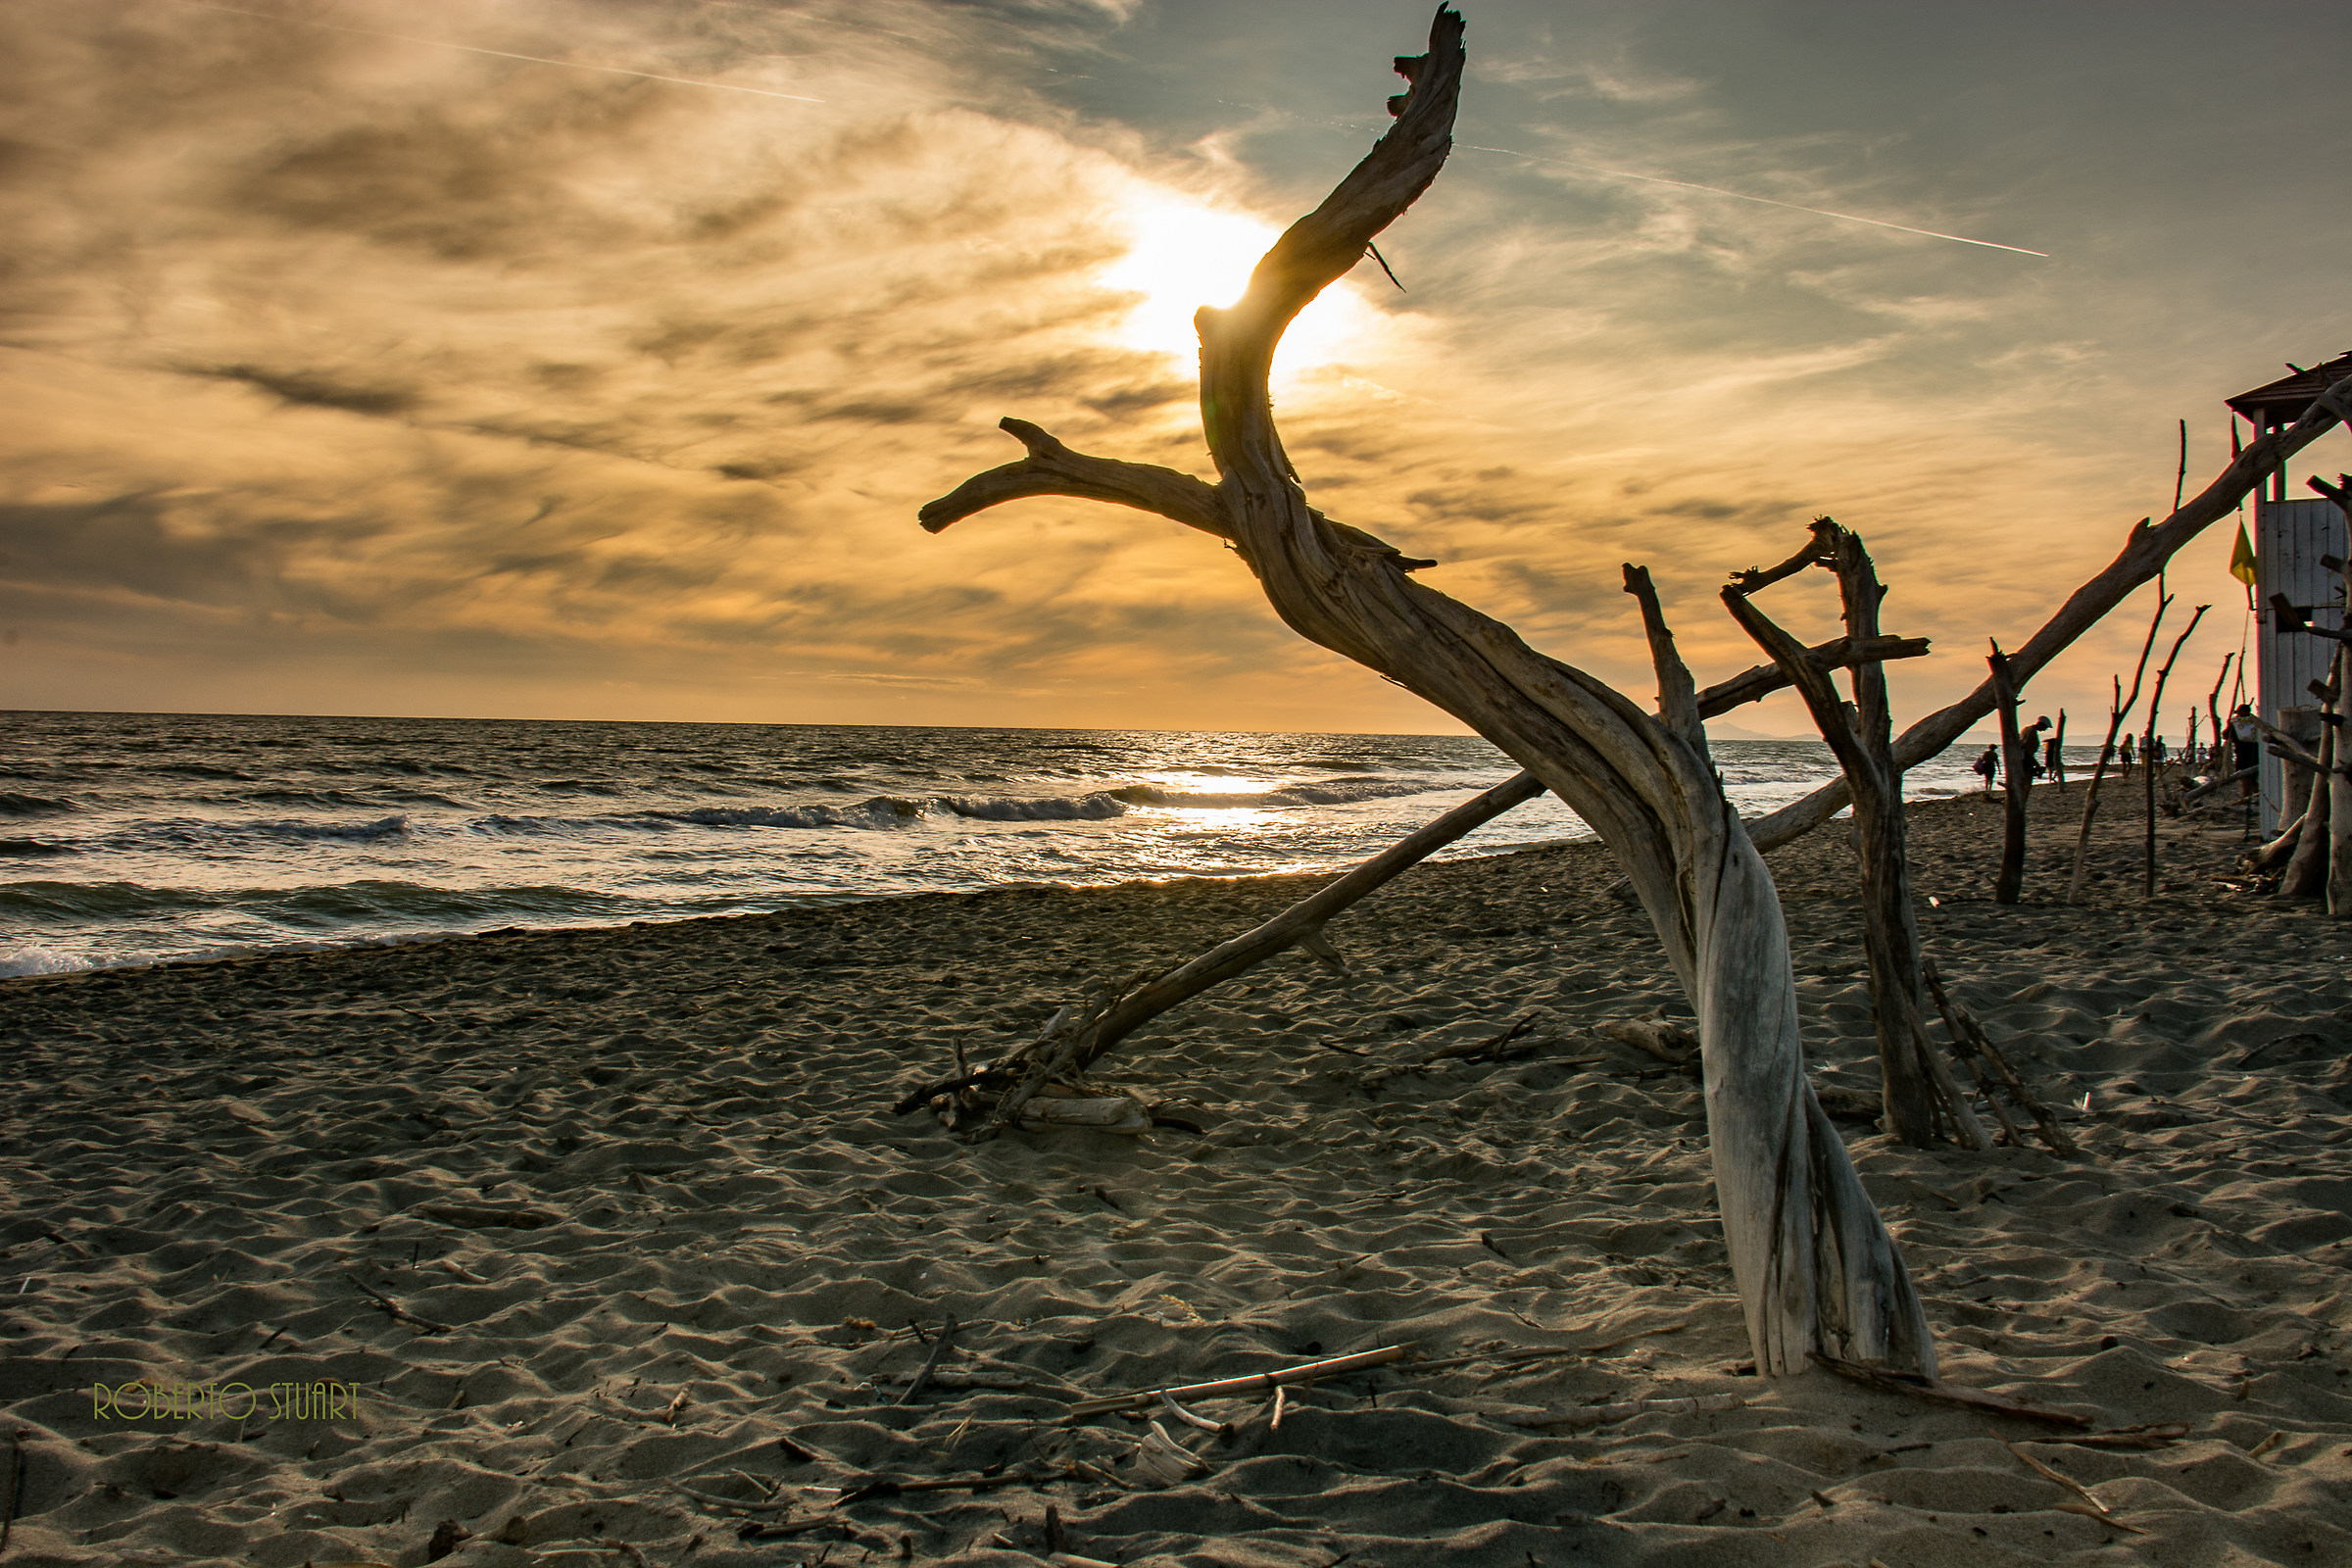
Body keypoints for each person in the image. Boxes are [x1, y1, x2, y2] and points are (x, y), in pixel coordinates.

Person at [2230, 704, 2260, 798]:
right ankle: (2256, 797)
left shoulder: (2236, 724)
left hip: (2243, 754)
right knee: (2253, 779)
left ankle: (2247, 798)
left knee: (2245, 779)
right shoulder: (2255, 723)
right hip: (2254, 753)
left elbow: (2226, 735)